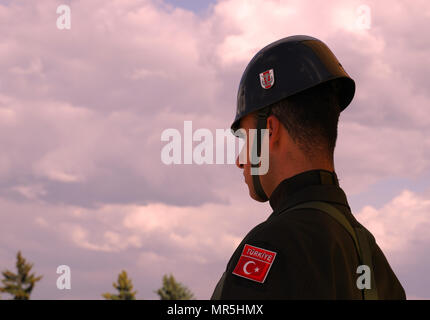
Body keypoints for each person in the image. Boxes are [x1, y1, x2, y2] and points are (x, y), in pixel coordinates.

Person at [211, 35, 406, 299]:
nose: (239, 160)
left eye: (244, 138)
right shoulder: (371, 256)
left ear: (270, 131)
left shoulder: (267, 247)